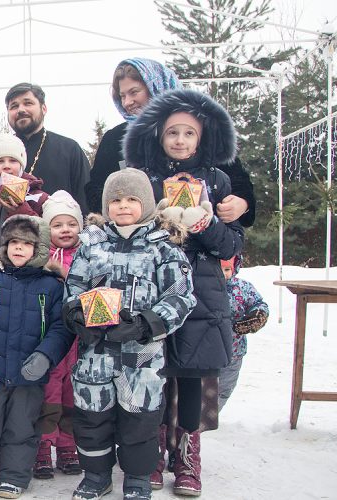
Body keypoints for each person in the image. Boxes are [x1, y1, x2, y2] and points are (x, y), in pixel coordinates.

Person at [125, 89, 244, 496]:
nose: (179, 140)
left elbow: (229, 245)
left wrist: (202, 223)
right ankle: (154, 452)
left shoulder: (218, 179)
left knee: (191, 376)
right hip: (155, 287)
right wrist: (160, 221)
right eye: (172, 132)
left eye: (188, 133)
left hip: (201, 290)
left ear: (201, 138)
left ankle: (188, 455)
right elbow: (131, 233)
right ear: (158, 135)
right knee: (154, 370)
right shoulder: (145, 178)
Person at [64, 168, 196, 500]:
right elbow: (73, 287)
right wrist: (76, 314)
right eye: (116, 200)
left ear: (147, 204)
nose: (123, 206)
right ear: (107, 206)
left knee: (140, 422)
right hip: (95, 354)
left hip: (143, 357)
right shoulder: (91, 246)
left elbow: (181, 297)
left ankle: (137, 478)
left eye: (132, 199)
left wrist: (146, 324)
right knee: (92, 419)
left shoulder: (163, 250)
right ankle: (96, 476)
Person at [0, 215, 73, 498]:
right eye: (14, 243)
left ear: (39, 248)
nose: (19, 249)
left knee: (22, 427)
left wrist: (45, 356)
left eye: (27, 244)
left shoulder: (52, 285)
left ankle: (14, 478)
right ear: (4, 246)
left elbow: (60, 328)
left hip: (28, 372)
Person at [86, 58, 256, 227]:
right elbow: (96, 190)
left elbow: (237, 180)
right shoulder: (115, 139)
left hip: (201, 243)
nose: (127, 102)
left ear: (157, 87)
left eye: (134, 92)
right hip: (139, 245)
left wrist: (242, 203)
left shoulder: (202, 131)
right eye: (122, 96)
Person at [33, 191, 84, 480]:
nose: (65, 230)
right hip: (50, 337)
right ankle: (43, 446)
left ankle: (68, 446)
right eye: (57, 224)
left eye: (71, 224)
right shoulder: (40, 260)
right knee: (48, 394)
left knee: (71, 394)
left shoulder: (88, 256)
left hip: (79, 340)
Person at [0, 83, 89, 211]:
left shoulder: (69, 149)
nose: (21, 109)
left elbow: (84, 201)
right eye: (14, 106)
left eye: (28, 103)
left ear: (44, 108)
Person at [0, 133, 50, 250]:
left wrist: (20, 209)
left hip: (27, 265)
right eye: (0, 161)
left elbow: (46, 237)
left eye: (13, 161)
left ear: (21, 165)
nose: (6, 166)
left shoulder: (40, 198)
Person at [218, 255, 269, 410]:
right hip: (206, 351)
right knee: (203, 389)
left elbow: (258, 303)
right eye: (219, 269)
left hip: (234, 350)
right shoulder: (201, 287)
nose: (223, 274)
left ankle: (210, 416)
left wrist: (257, 315)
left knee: (225, 388)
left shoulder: (243, 288)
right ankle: (198, 417)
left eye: (227, 269)